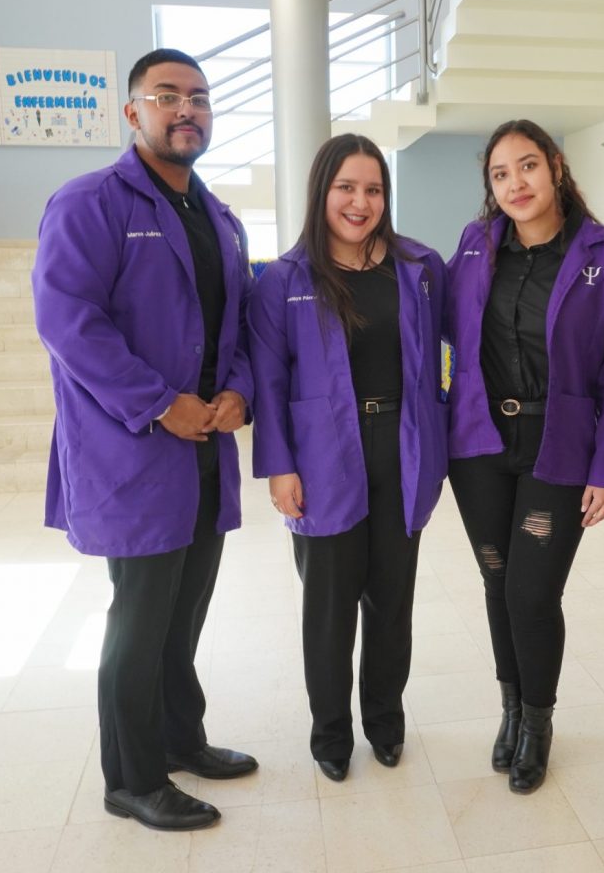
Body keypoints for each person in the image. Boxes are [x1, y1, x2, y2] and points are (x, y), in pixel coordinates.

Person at [33, 48, 259, 832]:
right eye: (167, 96)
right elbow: (67, 321)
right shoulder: (89, 203)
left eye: (199, 97)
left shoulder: (219, 218)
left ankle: (179, 738)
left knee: (183, 612)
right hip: (133, 450)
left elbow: (240, 324)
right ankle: (131, 779)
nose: (186, 109)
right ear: (132, 112)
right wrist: (160, 404)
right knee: (139, 619)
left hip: (204, 448)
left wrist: (239, 391)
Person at [445, 120, 604, 794]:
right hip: (478, 446)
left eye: (527, 166)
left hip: (557, 447)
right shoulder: (475, 246)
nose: (515, 183)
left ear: (556, 167)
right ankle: (510, 708)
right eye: (500, 174)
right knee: (497, 582)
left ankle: (538, 722)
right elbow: (437, 322)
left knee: (531, 592)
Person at [249, 134, 448, 782]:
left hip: (402, 446)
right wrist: (280, 466)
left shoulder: (419, 268)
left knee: (391, 602)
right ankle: (330, 734)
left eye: (373, 189)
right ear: (322, 192)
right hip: (322, 456)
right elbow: (268, 381)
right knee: (329, 608)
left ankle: (385, 723)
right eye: (346, 188)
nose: (361, 202)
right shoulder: (284, 280)